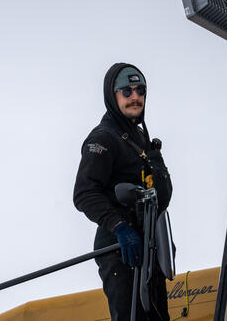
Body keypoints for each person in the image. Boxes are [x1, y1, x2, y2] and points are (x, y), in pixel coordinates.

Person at [74, 63, 172, 321]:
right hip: (121, 249)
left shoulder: (140, 138)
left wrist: (157, 161)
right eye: (126, 91)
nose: (135, 97)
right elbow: (84, 193)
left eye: (140, 90)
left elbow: (161, 197)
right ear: (112, 95)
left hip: (149, 247)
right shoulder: (103, 138)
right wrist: (120, 227)